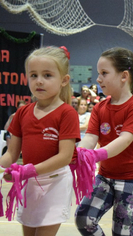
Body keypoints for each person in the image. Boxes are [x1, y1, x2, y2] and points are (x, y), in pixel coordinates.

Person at [74, 47, 133, 236]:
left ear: (124, 76)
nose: (98, 79)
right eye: (98, 73)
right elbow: (91, 137)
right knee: (83, 219)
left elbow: (124, 140)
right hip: (105, 176)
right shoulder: (100, 108)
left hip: (132, 179)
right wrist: (80, 152)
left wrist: (95, 155)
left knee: (122, 232)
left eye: (104, 73)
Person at [0, 46, 80, 236]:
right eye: (33, 75)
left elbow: (64, 156)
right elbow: (11, 154)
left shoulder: (67, 113)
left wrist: (27, 171)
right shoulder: (22, 112)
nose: (39, 81)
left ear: (64, 80)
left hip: (55, 183)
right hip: (29, 184)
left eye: (47, 75)